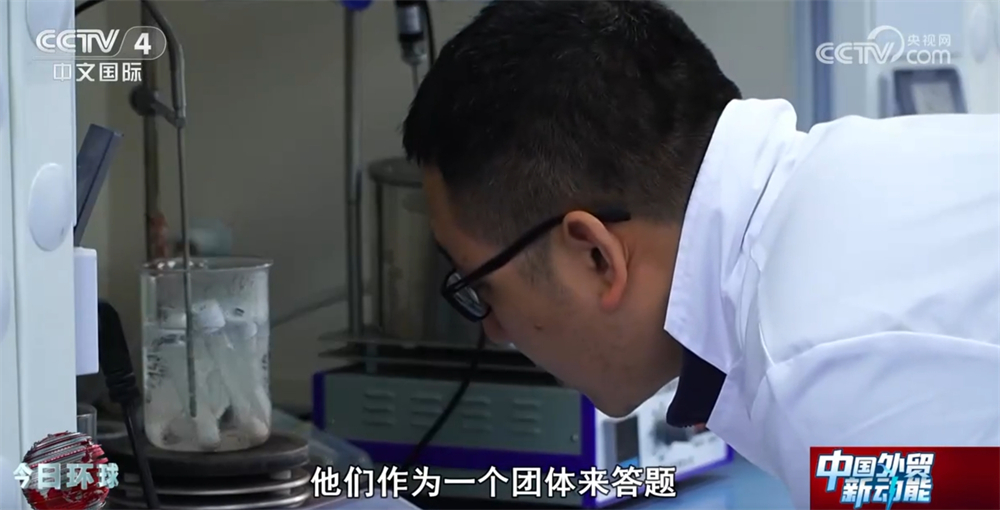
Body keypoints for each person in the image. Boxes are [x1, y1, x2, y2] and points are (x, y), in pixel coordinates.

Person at [401, 0, 1000, 506]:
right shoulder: (849, 173)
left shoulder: (814, 367)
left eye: (481, 287)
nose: (495, 332)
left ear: (596, 258)